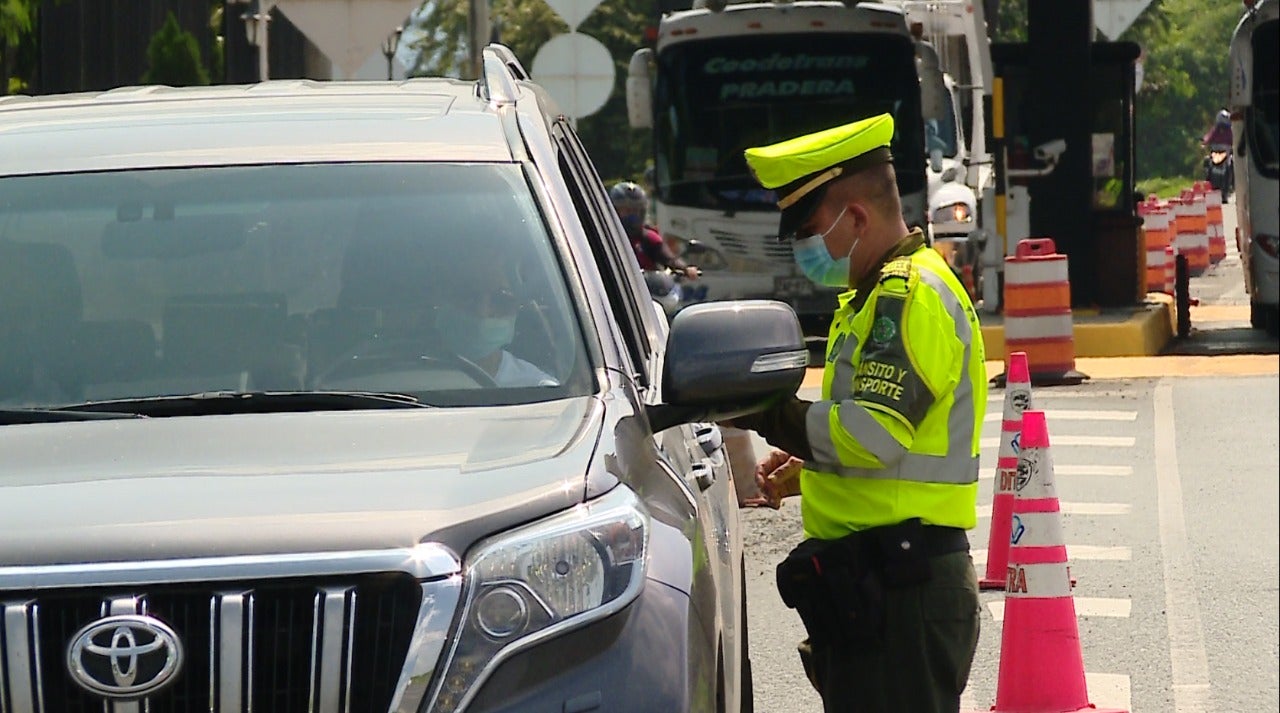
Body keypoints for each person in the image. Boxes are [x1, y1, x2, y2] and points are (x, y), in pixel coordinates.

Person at [730, 113, 986, 712]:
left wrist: (767, 411)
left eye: (809, 229)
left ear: (857, 218)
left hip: (904, 587)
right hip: (881, 580)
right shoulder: (874, 297)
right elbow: (877, 435)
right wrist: (810, 469)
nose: (802, 247)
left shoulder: (909, 297)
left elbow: (872, 434)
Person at [433, 258, 558, 388]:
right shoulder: (412, 378)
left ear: (518, 309)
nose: (482, 312)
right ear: (440, 300)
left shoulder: (539, 392)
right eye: (468, 295)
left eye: (501, 300)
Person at [609, 181, 698, 280]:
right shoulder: (606, 237)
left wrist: (685, 269)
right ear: (614, 211)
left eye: (635, 211)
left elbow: (668, 259)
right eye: (627, 210)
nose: (632, 215)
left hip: (646, 291)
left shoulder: (648, 238)